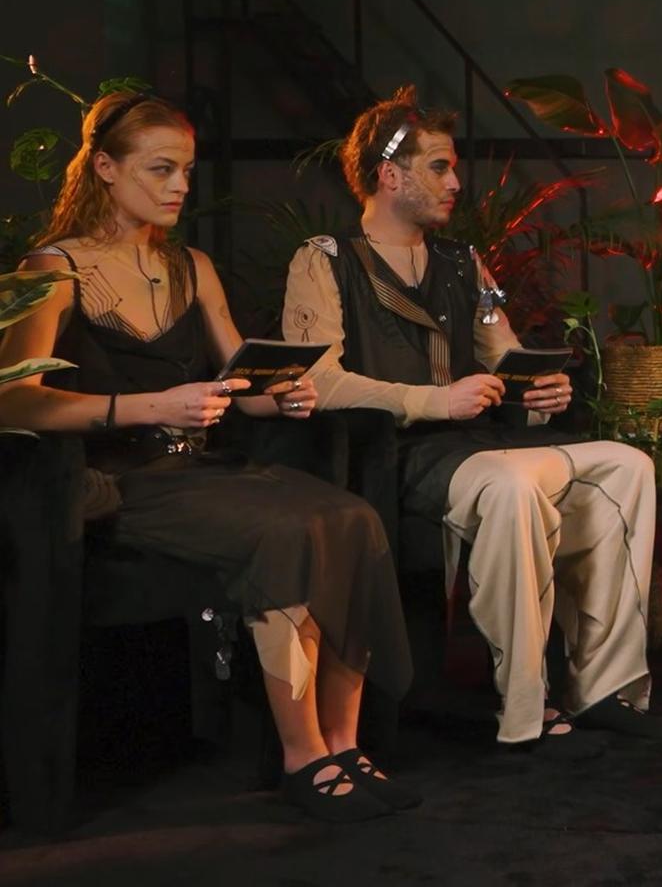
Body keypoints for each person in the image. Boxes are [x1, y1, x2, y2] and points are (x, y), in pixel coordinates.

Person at [0, 93, 416, 821]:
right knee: (285, 531)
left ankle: (344, 744)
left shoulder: (192, 266)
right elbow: (11, 399)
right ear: (105, 167)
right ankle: (303, 758)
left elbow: (239, 388)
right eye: (160, 169)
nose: (180, 186)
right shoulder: (51, 268)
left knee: (352, 517)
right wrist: (149, 407)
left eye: (187, 171)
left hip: (201, 469)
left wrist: (282, 396)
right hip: (116, 479)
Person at [281, 86, 658, 754]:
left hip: (480, 441)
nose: (456, 183)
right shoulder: (324, 259)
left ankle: (604, 685)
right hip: (397, 452)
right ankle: (526, 706)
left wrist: (538, 389)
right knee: (512, 487)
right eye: (439, 167)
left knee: (628, 465)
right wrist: (435, 400)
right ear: (389, 175)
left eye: (453, 168)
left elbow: (502, 350)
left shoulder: (465, 263)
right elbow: (318, 380)